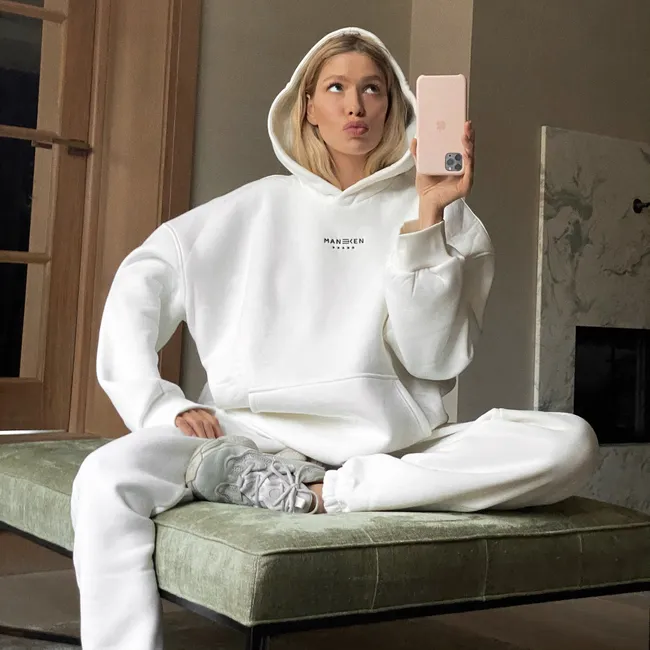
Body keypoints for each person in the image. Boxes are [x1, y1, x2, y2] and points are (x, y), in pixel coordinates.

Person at [70, 27, 598, 650]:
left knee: (571, 442)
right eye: (337, 88)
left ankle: (321, 495)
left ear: (394, 106)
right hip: (245, 441)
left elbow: (433, 359)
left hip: (388, 449)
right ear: (308, 109)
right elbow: (143, 279)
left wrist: (427, 222)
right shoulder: (252, 208)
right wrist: (161, 407)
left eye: (372, 89)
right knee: (105, 477)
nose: (356, 106)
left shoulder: (446, 216)